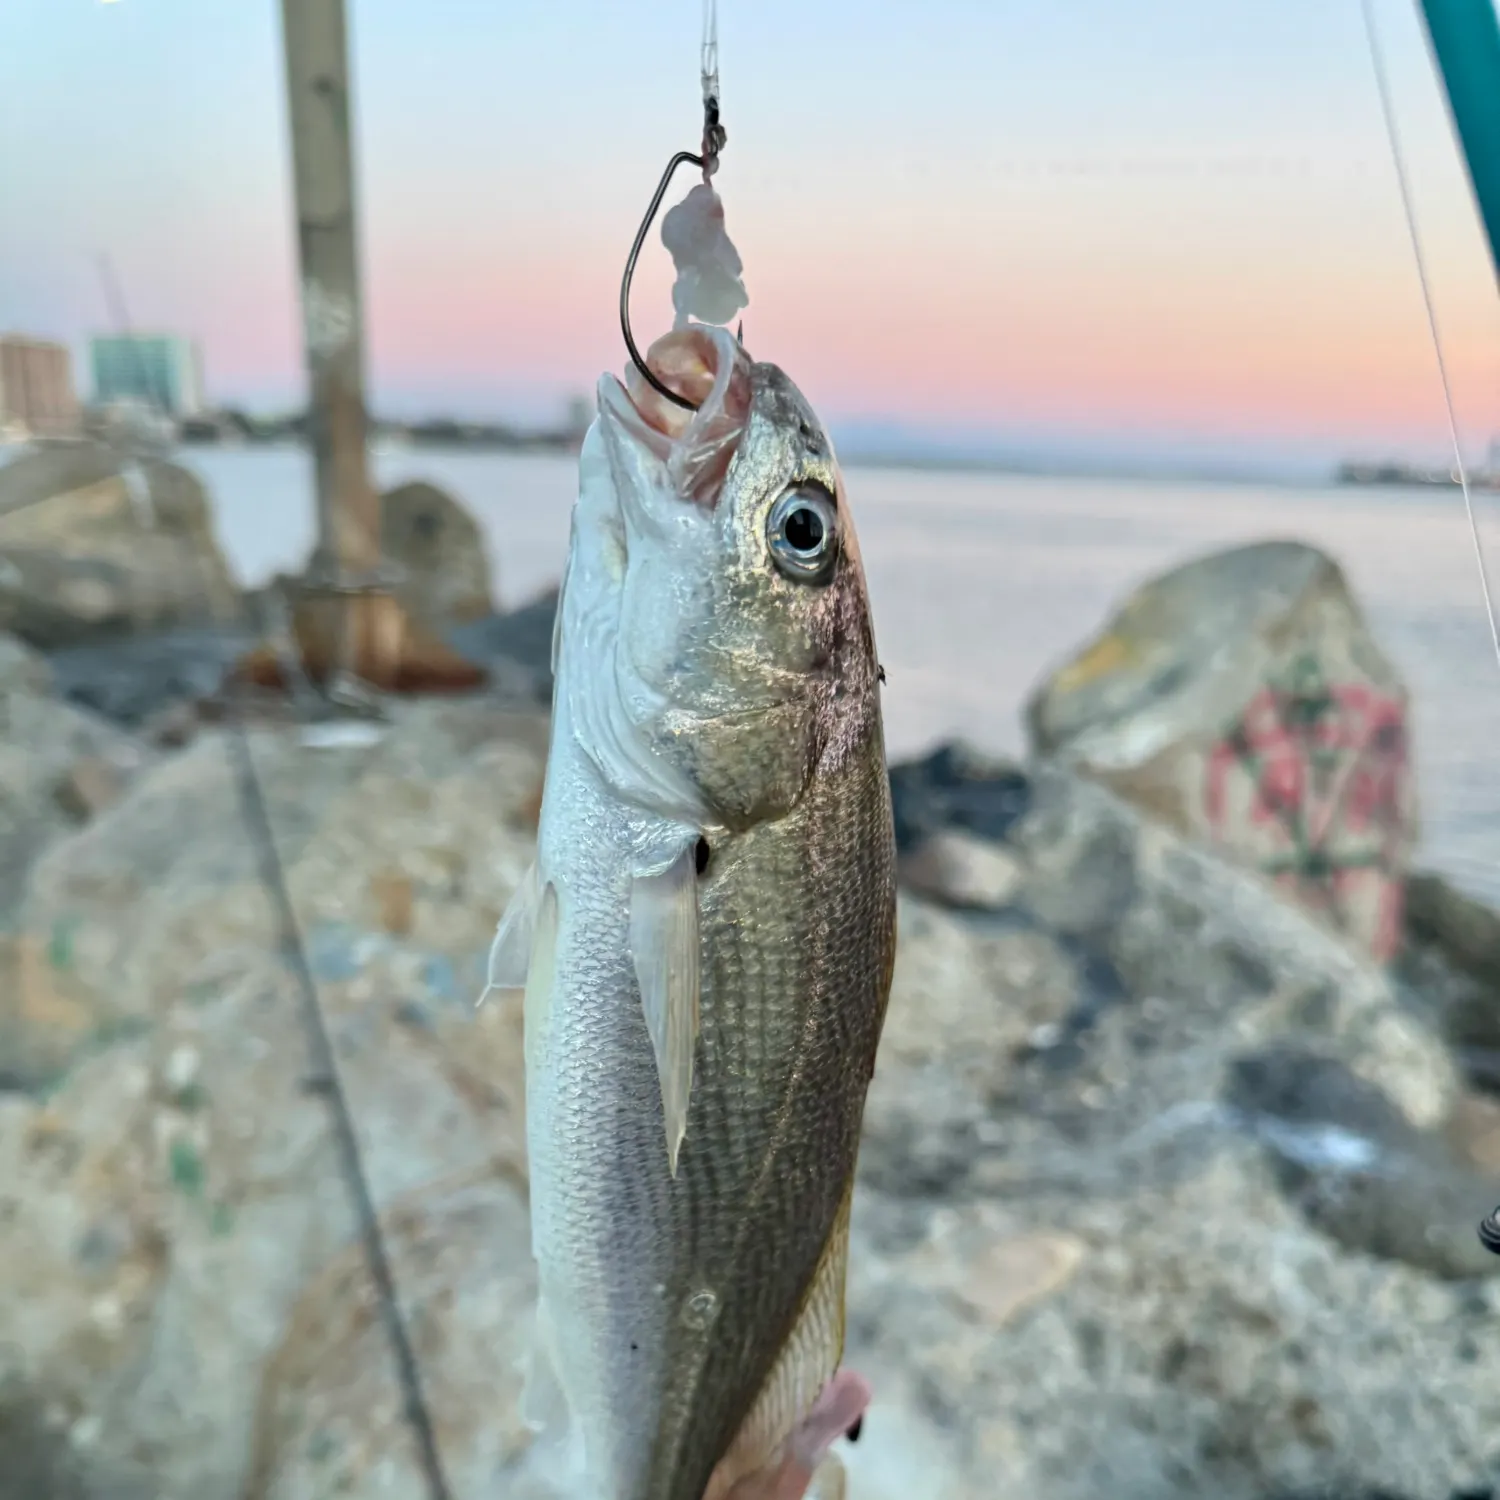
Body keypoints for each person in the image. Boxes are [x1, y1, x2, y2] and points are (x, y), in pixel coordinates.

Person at [717, 1370, 871, 1500]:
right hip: (802, 1454)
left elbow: (816, 1402)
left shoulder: (846, 1386)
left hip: (795, 1445)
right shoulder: (855, 1394)